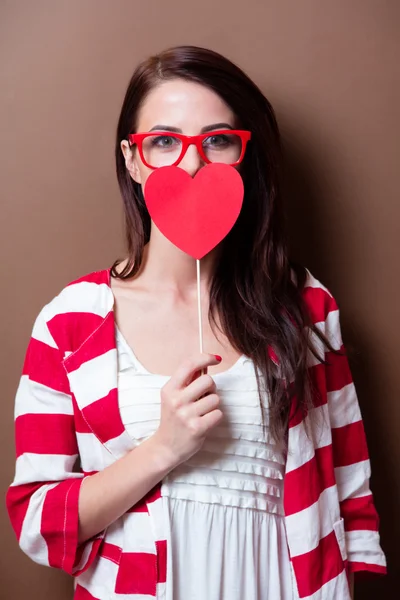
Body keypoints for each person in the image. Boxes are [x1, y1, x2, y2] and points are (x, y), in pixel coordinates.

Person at [6, 45, 386, 600]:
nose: (191, 163)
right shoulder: (70, 322)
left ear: (243, 156)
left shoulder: (306, 308)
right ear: (133, 160)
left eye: (218, 140)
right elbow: (38, 521)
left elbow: (352, 496)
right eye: (164, 141)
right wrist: (164, 447)